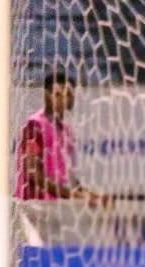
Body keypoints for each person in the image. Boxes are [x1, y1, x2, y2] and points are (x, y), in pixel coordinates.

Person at [16, 70, 110, 206]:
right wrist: (78, 196)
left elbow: (69, 179)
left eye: (68, 95)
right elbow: (34, 174)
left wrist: (94, 195)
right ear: (47, 96)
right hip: (35, 207)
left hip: (58, 208)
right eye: (58, 95)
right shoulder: (34, 126)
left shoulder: (66, 130)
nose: (63, 100)